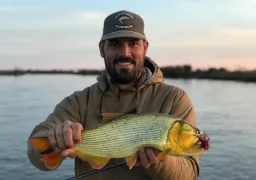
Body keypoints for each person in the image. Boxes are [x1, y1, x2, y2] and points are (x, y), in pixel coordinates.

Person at [27, 10, 200, 180]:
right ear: (102, 49)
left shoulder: (175, 98)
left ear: (145, 47)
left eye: (133, 43)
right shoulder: (78, 102)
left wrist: (159, 160)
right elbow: (37, 157)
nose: (125, 53)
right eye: (115, 44)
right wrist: (55, 137)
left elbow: (190, 175)